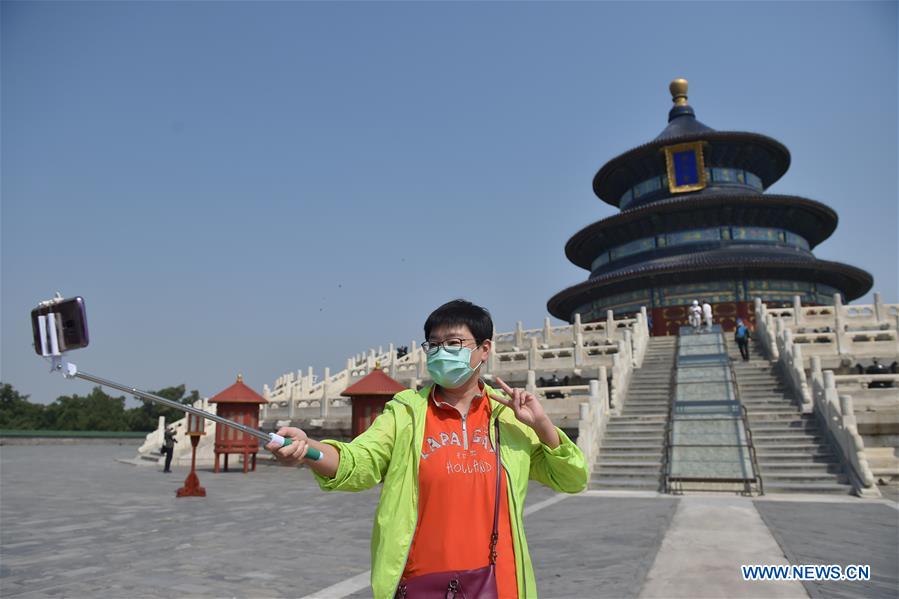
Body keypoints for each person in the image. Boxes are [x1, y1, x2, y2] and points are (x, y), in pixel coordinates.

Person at [267, 299, 588, 599]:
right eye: (433, 344)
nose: (440, 352)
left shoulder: (508, 418)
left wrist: (543, 426)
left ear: (484, 348)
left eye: (453, 343)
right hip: (422, 583)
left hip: (501, 584)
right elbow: (357, 460)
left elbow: (572, 479)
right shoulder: (406, 413)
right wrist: (308, 448)